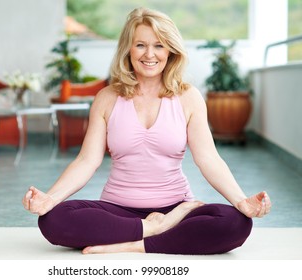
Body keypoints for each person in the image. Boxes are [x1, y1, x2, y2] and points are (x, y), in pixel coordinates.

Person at [22, 7, 271, 255]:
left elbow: (208, 159)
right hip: (116, 209)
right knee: (53, 219)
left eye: (159, 45)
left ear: (170, 51)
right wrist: (51, 199)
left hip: (176, 208)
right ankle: (151, 231)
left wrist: (240, 201)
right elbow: (87, 160)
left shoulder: (188, 97)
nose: (149, 54)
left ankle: (136, 244)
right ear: (128, 49)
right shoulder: (107, 98)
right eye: (140, 45)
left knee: (235, 222)